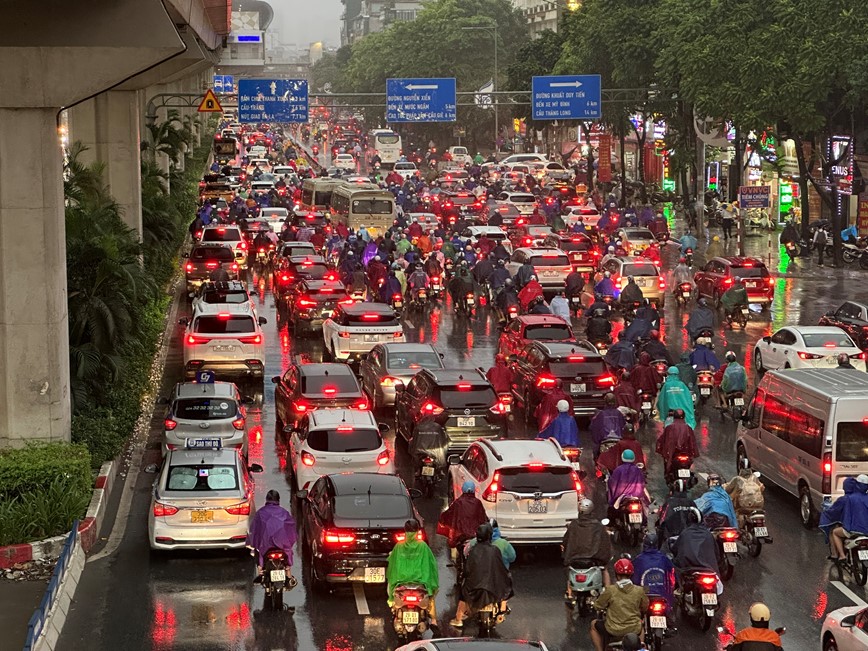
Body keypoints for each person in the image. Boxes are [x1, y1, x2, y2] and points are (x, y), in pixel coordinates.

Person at [450, 523, 513, 628]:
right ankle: (502, 609)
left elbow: (467, 570)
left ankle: (458, 618)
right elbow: (501, 568)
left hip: (474, 587)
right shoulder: (495, 550)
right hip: (493, 587)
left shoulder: (473, 550)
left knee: (463, 593)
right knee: (507, 583)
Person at [386, 519, 439, 625]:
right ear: (417, 531)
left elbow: (391, 565)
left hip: (400, 581)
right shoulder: (423, 546)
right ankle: (434, 621)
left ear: (405, 531)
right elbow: (432, 564)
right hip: (421, 581)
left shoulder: (399, 546)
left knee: (389, 588)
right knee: (430, 595)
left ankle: (393, 606)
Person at [590, 558, 648, 651]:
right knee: (641, 627)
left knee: (593, 625)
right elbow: (645, 607)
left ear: (617, 575)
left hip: (613, 630)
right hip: (634, 629)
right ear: (631, 574)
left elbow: (598, 606)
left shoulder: (610, 590)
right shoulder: (639, 590)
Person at [562, 498, 613, 599]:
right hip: (594, 559)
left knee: (568, 573)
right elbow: (605, 543)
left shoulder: (573, 525)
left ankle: (570, 594)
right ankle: (609, 596)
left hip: (574, 560)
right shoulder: (598, 526)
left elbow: (566, 541)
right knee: (605, 569)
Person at [247, 490, 297, 582]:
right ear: (278, 500)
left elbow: (254, 531)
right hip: (282, 545)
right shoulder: (284, 513)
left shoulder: (260, 513)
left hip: (265, 546)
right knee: (288, 555)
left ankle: (260, 571)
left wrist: (252, 542)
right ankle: (289, 573)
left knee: (256, 551)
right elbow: (291, 529)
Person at [820, 474, 868, 561]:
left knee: (834, 532)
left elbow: (835, 511)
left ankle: (841, 555)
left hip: (853, 529)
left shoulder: (848, 498)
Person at [437, 481, 488, 549]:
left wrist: (442, 519)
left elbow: (448, 514)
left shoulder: (458, 502)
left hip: (459, 537)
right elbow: (483, 518)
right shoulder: (478, 503)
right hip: (474, 536)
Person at [633, 532, 676, 612]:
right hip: (663, 594)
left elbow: (634, 580)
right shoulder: (664, 559)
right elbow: (672, 576)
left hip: (646, 593)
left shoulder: (638, 560)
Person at [655, 409, 699, 482]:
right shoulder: (688, 427)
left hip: (673, 454)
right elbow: (693, 442)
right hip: (685, 453)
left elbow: (662, 440)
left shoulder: (669, 427)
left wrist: (660, 449)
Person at [657, 480, 699, 544]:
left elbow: (663, 519)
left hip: (673, 535)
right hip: (689, 535)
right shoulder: (690, 502)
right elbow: (698, 518)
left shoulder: (669, 502)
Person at [589, 393, 627, 458]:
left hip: (604, 439)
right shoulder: (618, 413)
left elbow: (594, 428)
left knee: (596, 454)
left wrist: (597, 440)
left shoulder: (601, 414)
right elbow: (623, 426)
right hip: (618, 439)